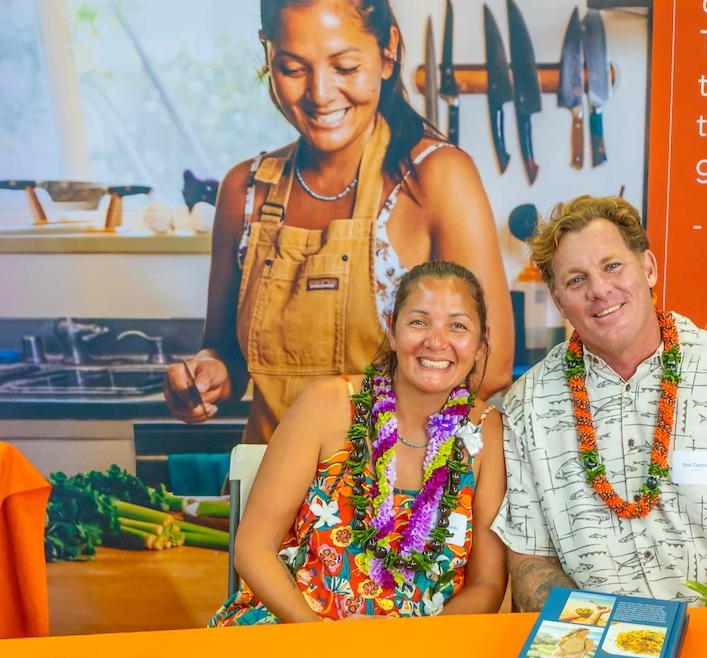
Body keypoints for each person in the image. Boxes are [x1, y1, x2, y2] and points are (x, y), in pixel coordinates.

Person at [166, 0, 513, 442]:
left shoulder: (436, 180)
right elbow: (229, 357)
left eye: (345, 66)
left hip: (388, 487)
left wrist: (340, 416)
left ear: (387, 51)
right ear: (267, 55)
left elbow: (491, 365)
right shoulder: (244, 191)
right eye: (293, 68)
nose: (321, 93)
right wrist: (207, 375)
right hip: (265, 484)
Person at [495, 195, 707, 610]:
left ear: (649, 268)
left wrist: (696, 636)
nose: (599, 290)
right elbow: (531, 560)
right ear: (558, 301)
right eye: (576, 280)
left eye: (612, 266)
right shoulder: (528, 405)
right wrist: (602, 635)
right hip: (587, 640)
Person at [211, 261, 506, 624]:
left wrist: (412, 643)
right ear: (392, 329)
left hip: (422, 645)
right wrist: (326, 640)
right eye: (419, 322)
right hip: (298, 629)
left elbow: (487, 583)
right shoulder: (327, 404)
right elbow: (253, 548)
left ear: (480, 344)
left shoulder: (487, 430)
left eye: (457, 326)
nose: (436, 341)